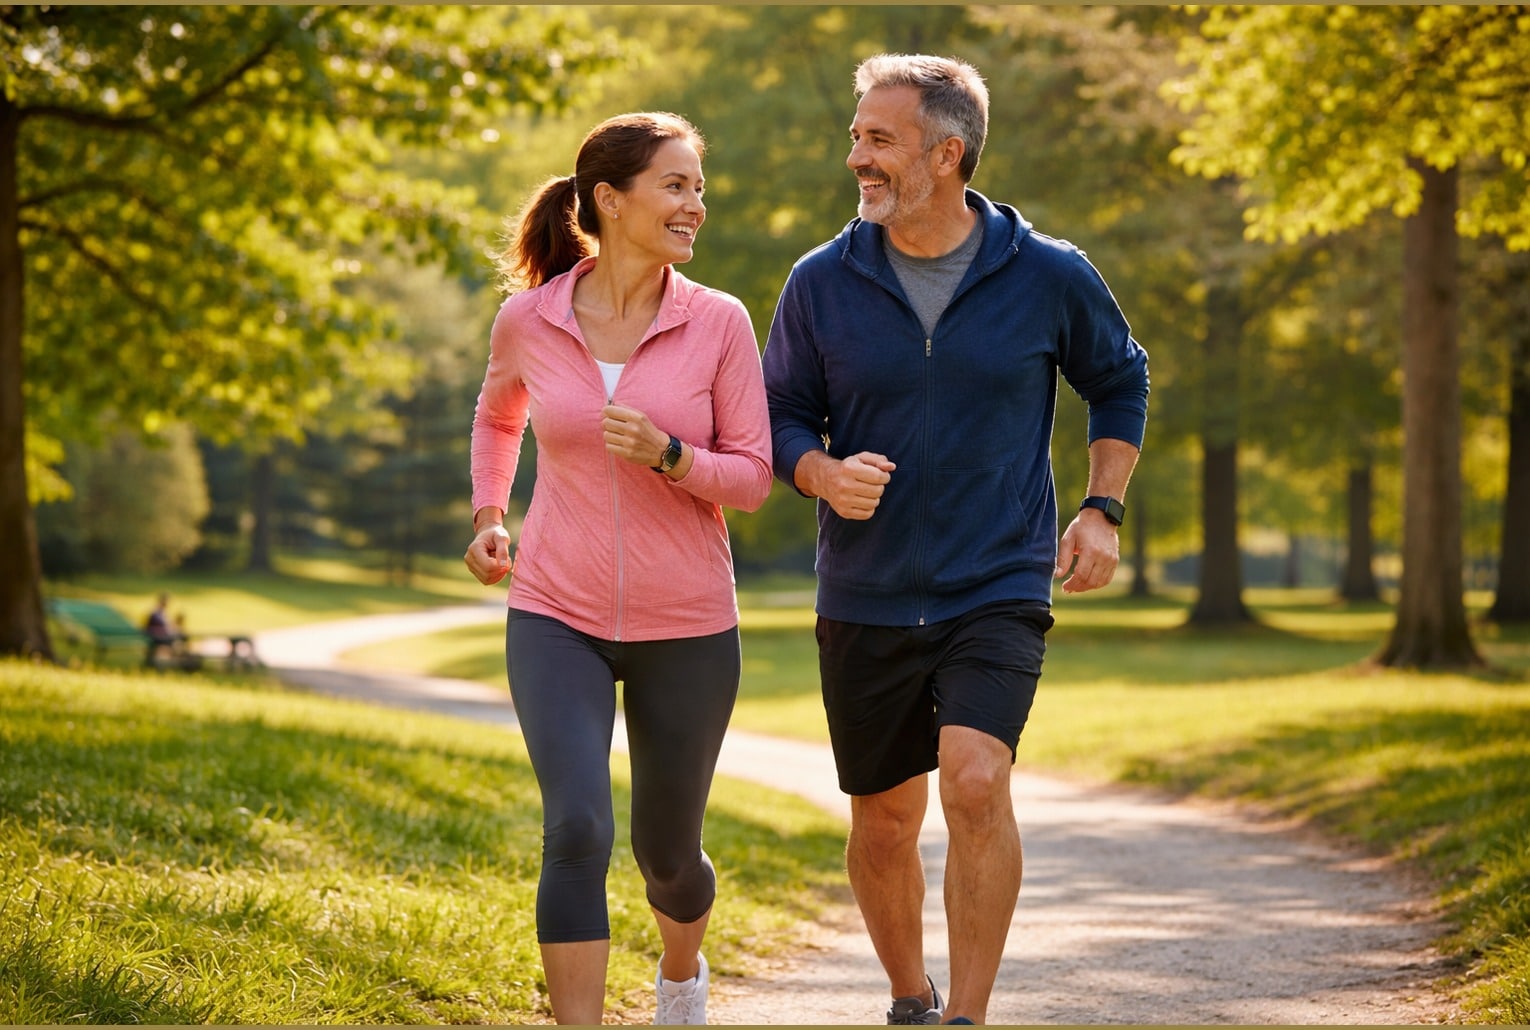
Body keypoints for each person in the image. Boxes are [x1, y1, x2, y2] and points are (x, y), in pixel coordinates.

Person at [761, 54, 1150, 1025]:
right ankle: (910, 996)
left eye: (877, 139)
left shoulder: (1047, 274)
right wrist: (818, 472)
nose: (856, 156)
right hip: (866, 585)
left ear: (949, 153)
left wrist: (1102, 507)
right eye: (856, 136)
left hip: (998, 575)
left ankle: (968, 1015)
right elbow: (776, 415)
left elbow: (1120, 378)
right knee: (887, 821)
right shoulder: (822, 282)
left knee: (976, 781)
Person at [463, 111, 773, 1026]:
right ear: (611, 198)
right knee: (577, 831)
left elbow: (753, 478)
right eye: (676, 187)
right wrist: (489, 514)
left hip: (688, 626)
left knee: (668, 855)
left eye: (698, 188)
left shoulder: (717, 322)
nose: (696, 207)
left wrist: (672, 455)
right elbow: (496, 418)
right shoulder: (531, 317)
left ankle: (681, 977)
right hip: (556, 611)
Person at [143, 592, 184, 666]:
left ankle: (175, 660)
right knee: (177, 640)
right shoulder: (156, 613)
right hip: (156, 637)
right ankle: (174, 661)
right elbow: (163, 626)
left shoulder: (162, 612)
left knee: (179, 637)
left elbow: (168, 626)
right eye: (166, 602)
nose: (167, 604)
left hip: (161, 635)